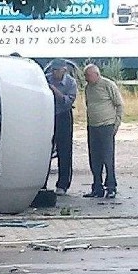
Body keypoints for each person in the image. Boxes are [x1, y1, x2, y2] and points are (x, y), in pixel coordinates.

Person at [83, 64, 124, 199]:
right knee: (94, 158)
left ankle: (111, 187)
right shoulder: (88, 88)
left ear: (96, 74)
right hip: (92, 127)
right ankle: (97, 187)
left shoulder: (108, 85)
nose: (86, 79)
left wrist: (116, 124)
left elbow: (119, 105)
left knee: (108, 157)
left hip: (107, 126)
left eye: (88, 76)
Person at [45, 58, 78, 195]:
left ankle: (63, 184)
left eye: (56, 70)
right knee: (45, 150)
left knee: (65, 151)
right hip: (47, 114)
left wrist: (53, 90)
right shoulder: (45, 78)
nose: (53, 73)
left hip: (63, 115)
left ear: (63, 70)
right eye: (52, 70)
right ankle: (42, 183)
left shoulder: (71, 83)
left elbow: (67, 101)